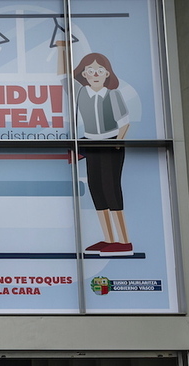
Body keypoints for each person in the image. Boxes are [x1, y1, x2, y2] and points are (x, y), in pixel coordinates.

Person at [56, 40, 133, 257]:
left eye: (100, 70)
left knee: (111, 189)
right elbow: (63, 77)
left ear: (108, 73)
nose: (95, 73)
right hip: (90, 143)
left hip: (110, 144)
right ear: (84, 74)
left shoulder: (113, 94)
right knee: (96, 190)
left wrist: (117, 142)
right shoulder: (81, 94)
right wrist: (63, 49)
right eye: (90, 70)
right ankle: (109, 239)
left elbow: (125, 121)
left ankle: (124, 241)